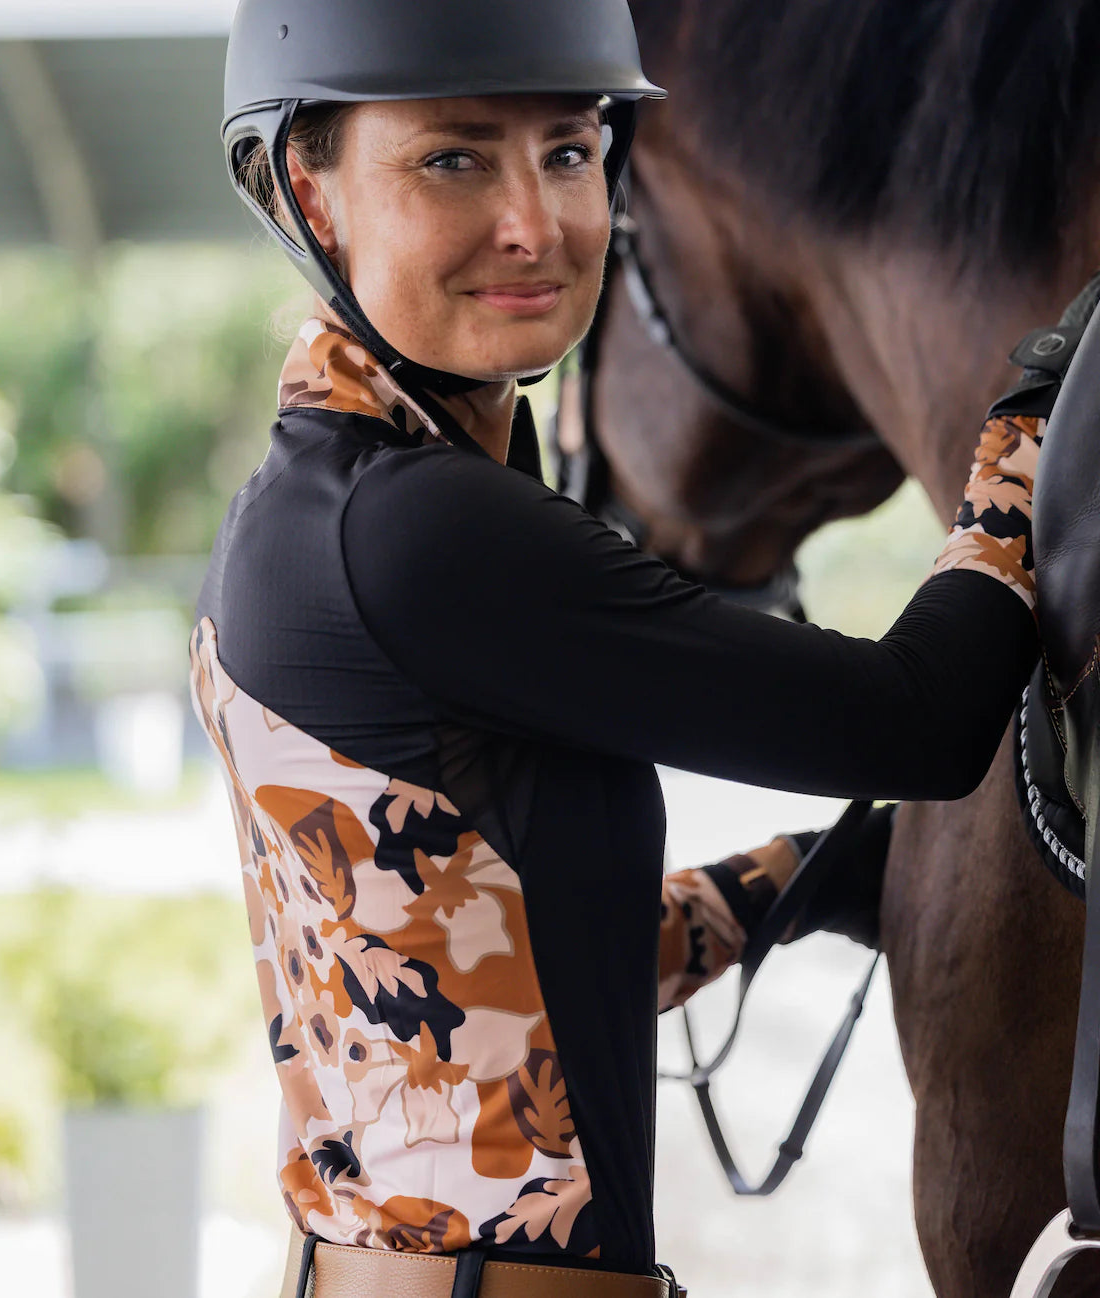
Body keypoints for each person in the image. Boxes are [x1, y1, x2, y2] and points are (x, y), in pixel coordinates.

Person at [190, 1, 1051, 1294]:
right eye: (454, 158)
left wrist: (813, 876)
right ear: (309, 189)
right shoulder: (431, 534)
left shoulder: (303, 510)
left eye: (571, 151)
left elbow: (503, 969)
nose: (536, 223)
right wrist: (1034, 428)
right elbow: (919, 718)